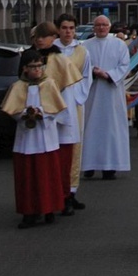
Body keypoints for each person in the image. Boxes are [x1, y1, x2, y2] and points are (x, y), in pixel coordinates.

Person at [1, 49, 67, 229]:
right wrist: (25, 115)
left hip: (45, 136)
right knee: (28, 177)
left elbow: (55, 109)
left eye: (40, 66)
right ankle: (29, 212)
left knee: (47, 175)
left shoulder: (49, 84)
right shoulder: (18, 87)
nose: (38, 70)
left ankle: (49, 209)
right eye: (33, 66)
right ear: (24, 69)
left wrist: (42, 114)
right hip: (26, 138)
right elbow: (12, 110)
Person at [31, 21, 83, 216]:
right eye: (37, 37)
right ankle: (43, 200)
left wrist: (59, 114)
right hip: (38, 117)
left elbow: (66, 89)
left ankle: (65, 196)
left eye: (43, 36)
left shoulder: (60, 60)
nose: (39, 40)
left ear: (52, 38)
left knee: (62, 161)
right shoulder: (32, 57)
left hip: (59, 116)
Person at [81, 15, 131, 180]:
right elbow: (80, 67)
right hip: (91, 94)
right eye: (98, 25)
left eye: (104, 25)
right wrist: (93, 73)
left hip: (111, 95)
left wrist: (108, 74)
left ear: (109, 27)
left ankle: (109, 166)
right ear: (94, 28)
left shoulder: (119, 45)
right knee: (89, 128)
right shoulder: (85, 46)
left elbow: (124, 66)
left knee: (111, 130)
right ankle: (88, 165)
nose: (101, 28)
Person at [53, 13, 92, 211]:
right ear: (58, 29)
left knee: (75, 147)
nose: (68, 32)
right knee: (56, 148)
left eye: (71, 28)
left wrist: (77, 97)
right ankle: (56, 192)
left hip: (74, 103)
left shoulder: (82, 51)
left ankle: (71, 191)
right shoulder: (52, 51)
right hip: (55, 102)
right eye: (65, 28)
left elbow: (86, 76)